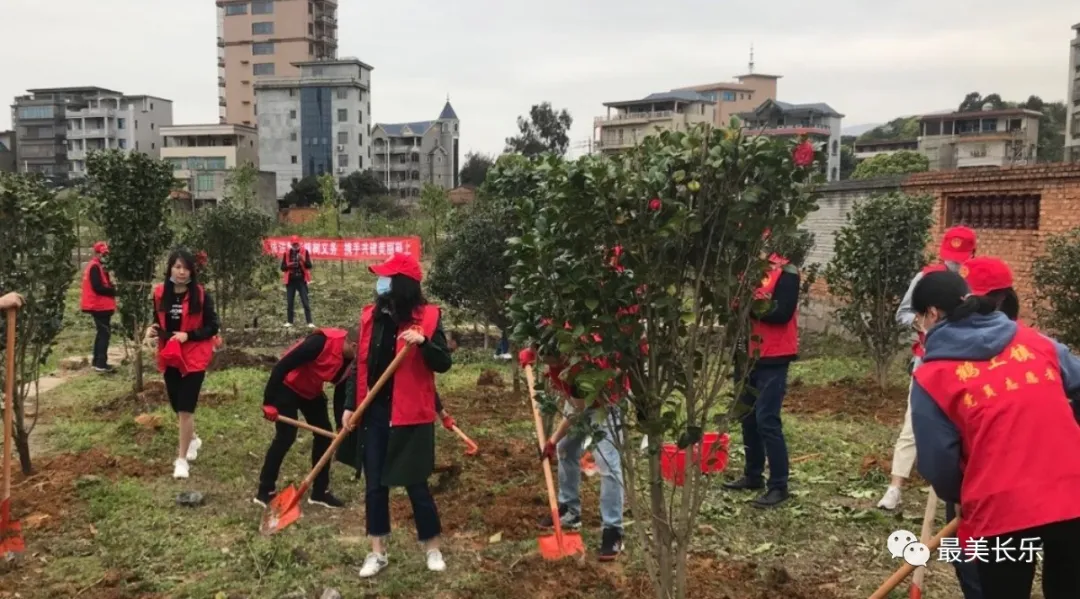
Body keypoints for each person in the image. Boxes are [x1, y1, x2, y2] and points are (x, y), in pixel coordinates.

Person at [909, 270, 1080, 599]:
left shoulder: (932, 377)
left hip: (1002, 505)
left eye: (919, 317)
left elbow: (938, 463)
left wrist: (962, 496)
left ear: (931, 313)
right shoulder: (1033, 341)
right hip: (1073, 492)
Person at [340, 252, 453, 578]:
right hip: (375, 413)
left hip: (410, 416)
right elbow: (359, 366)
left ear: (402, 285)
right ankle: (377, 551)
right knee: (375, 486)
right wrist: (351, 405)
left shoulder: (428, 318)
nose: (381, 285)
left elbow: (443, 363)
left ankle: (432, 548)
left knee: (416, 485)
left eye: (387, 279)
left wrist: (422, 343)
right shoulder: (371, 318)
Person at [878, 225, 976, 510]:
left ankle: (962, 493)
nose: (954, 263)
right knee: (914, 421)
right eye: (951, 256)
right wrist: (920, 324)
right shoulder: (926, 277)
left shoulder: (976, 280)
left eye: (960, 256)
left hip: (967, 364)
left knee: (963, 428)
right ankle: (895, 486)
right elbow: (903, 313)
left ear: (973, 252)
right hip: (928, 360)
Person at [520, 344, 627, 562]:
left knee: (607, 462)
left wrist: (552, 439)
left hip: (607, 400)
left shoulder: (585, 364)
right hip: (579, 397)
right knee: (566, 448)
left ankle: (613, 531)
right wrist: (529, 353)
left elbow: (578, 408)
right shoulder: (552, 340)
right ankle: (569, 510)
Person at [723, 250, 800, 508]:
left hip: (774, 355)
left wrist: (749, 307)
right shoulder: (743, 270)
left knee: (767, 419)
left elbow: (782, 313)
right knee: (747, 416)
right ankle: (752, 474)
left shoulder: (786, 271)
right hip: (747, 354)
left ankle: (779, 485)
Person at [255, 327, 358, 508]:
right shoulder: (319, 343)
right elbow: (282, 365)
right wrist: (269, 402)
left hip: (311, 392)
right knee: (286, 436)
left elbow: (341, 390)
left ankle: (319, 492)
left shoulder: (350, 360)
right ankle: (265, 490)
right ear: (354, 345)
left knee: (325, 436)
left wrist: (340, 422)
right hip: (287, 387)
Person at [146, 249, 220, 480]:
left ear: (191, 271)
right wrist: (152, 330)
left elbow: (212, 326)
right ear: (170, 268)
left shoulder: (200, 295)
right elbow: (158, 322)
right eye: (177, 267)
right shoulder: (159, 294)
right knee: (177, 406)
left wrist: (189, 335)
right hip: (170, 355)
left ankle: (181, 461)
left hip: (194, 355)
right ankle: (193, 439)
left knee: (186, 409)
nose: (180, 271)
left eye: (185, 268)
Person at [80, 241, 117, 373]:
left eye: (106, 254)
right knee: (104, 334)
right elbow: (98, 287)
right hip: (99, 305)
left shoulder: (98, 266)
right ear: (96, 253)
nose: (105, 256)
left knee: (101, 333)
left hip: (100, 305)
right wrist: (114, 291)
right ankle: (101, 363)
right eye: (103, 254)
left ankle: (97, 361)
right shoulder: (95, 267)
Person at [281, 235, 314, 329]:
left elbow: (309, 266)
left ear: (299, 243)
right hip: (290, 281)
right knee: (290, 301)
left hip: (301, 280)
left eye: (296, 243)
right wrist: (289, 265)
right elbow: (282, 268)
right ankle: (289, 321)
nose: (295, 245)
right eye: (293, 244)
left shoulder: (304, 251)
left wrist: (303, 259)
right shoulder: (287, 253)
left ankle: (309, 322)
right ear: (291, 244)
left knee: (305, 301)